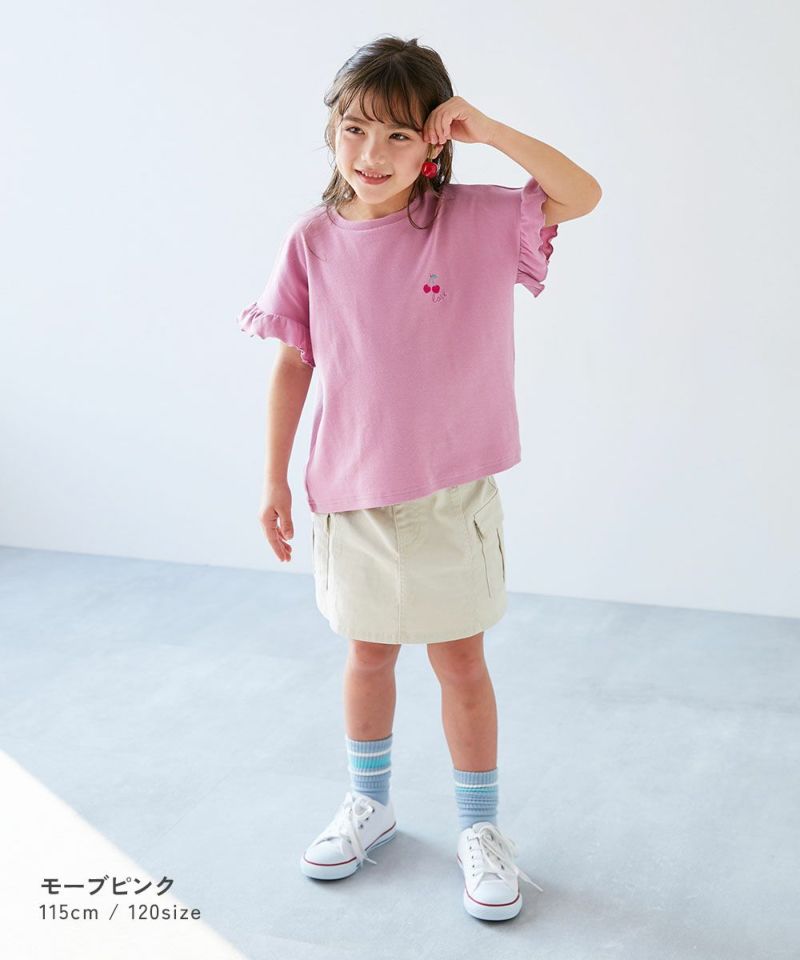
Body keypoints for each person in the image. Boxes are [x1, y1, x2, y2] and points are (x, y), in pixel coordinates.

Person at [236, 35, 601, 922]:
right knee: (366, 656)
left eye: (399, 135)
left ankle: (481, 827)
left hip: (451, 494)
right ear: (332, 130)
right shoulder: (312, 240)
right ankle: (371, 804)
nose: (372, 154)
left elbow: (581, 193)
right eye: (355, 129)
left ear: (434, 142)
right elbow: (293, 364)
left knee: (461, 662)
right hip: (351, 490)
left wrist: (490, 128)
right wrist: (273, 480)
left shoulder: (472, 219)